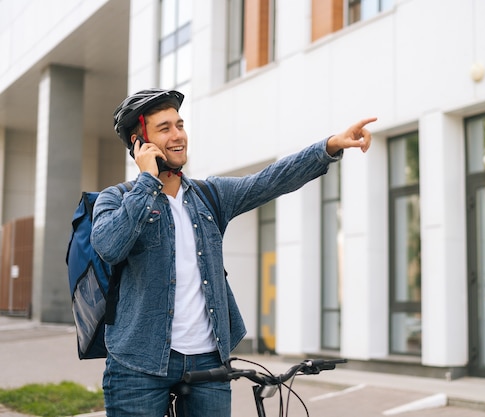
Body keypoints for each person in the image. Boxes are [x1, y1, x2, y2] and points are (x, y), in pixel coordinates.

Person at [91, 88, 376, 417]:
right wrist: (146, 181)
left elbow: (269, 181)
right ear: (140, 143)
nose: (178, 135)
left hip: (208, 360)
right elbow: (110, 247)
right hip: (138, 364)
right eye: (165, 128)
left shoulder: (209, 196)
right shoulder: (115, 199)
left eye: (180, 125)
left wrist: (329, 147)